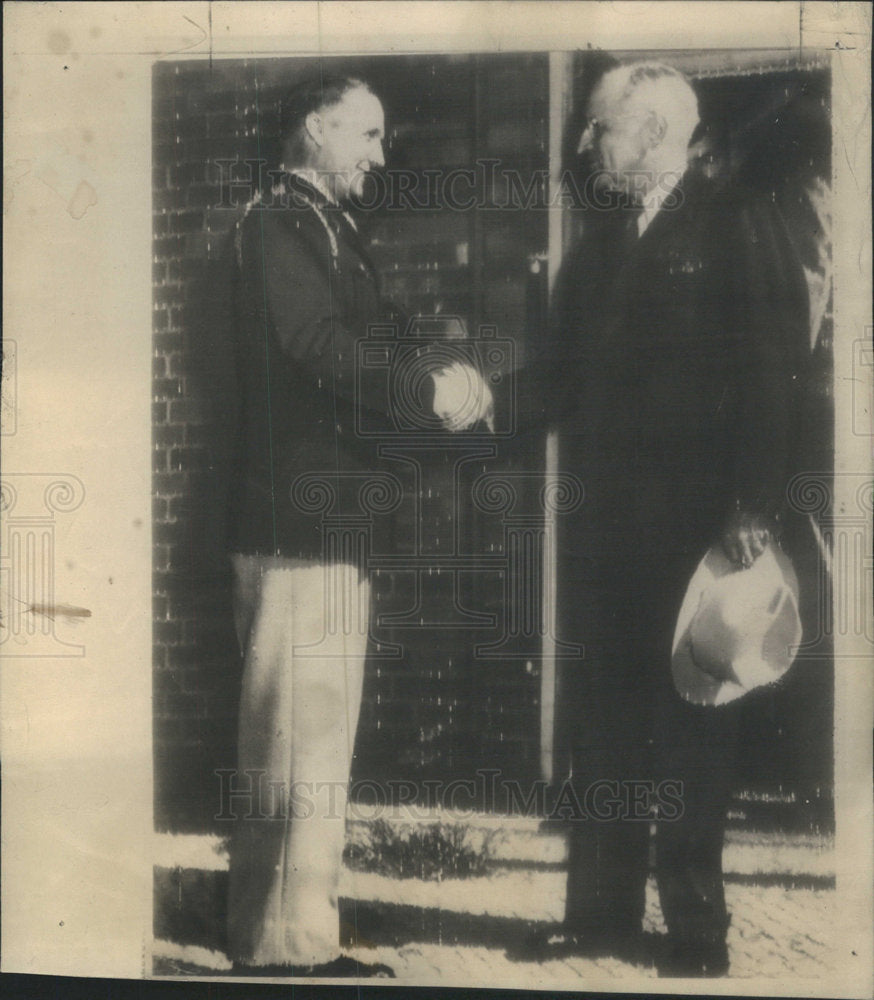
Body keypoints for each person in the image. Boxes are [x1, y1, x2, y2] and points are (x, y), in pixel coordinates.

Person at [520, 62, 809, 976]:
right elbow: (553, 379)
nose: (586, 146)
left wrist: (752, 503)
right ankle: (600, 914)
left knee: (693, 721)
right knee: (606, 719)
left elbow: (773, 372)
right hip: (607, 529)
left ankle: (696, 931)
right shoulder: (601, 241)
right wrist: (461, 411)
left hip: (700, 531)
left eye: (599, 128)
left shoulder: (732, 222)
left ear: (649, 134)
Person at [224, 75, 490, 977]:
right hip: (296, 524)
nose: (380, 157)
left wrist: (447, 374)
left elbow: (378, 336)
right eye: (368, 135)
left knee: (315, 737)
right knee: (291, 739)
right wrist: (419, 390)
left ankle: (294, 937)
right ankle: (280, 948)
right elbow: (317, 345)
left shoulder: (327, 228)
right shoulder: (274, 226)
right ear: (315, 128)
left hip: (333, 523)